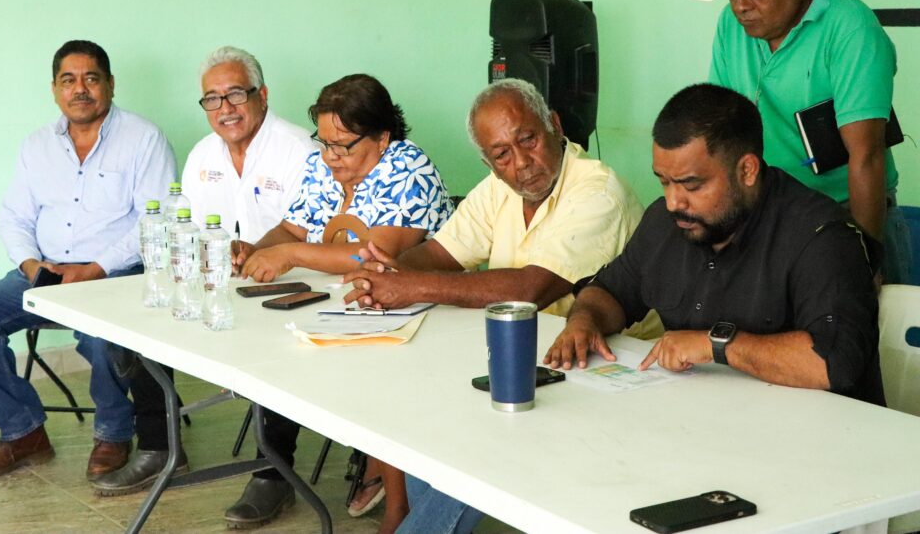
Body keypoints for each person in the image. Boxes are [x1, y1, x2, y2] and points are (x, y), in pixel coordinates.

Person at [342, 78, 643, 534]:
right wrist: (388, 271)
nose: (521, 163)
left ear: (555, 126)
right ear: (489, 162)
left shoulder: (596, 188)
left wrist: (410, 287)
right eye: (502, 154)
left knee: (469, 452)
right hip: (526, 366)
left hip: (604, 375)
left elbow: (530, 289)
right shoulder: (499, 189)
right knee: (427, 415)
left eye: (529, 139)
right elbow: (441, 254)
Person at [544, 83, 883, 403]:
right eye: (664, 182)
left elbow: (832, 362)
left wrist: (718, 345)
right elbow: (611, 291)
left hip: (820, 440)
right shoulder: (666, 221)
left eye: (691, 185)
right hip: (707, 426)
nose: (674, 201)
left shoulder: (821, 237)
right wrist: (584, 321)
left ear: (746, 171)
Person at [90, 47, 315, 524]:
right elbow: (182, 226)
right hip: (218, 283)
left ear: (262, 94)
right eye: (211, 99)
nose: (225, 108)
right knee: (140, 326)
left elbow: (312, 230)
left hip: (290, 286)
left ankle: (275, 476)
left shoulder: (300, 149)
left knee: (275, 344)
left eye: (235, 93)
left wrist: (255, 254)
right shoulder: (202, 155)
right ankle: (158, 448)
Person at [230, 73, 453, 532]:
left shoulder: (409, 166)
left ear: (382, 137)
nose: (330, 156)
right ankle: (274, 471)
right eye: (324, 142)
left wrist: (289, 256)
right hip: (334, 303)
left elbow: (376, 254)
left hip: (413, 311)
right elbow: (292, 229)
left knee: (375, 374)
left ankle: (398, 502)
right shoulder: (320, 167)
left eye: (343, 146)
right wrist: (255, 249)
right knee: (274, 347)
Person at [0, 40, 176, 482]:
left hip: (114, 272)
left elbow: (157, 220)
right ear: (55, 89)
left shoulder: (143, 138)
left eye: (91, 78)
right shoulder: (36, 145)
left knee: (103, 336)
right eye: (68, 80)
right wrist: (33, 267)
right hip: (44, 271)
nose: (80, 89)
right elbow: (13, 217)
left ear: (110, 84)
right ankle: (22, 432)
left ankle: (113, 431)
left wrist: (94, 269)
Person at [676, 0, 910, 283]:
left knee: (869, 336)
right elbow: (721, 134)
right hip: (773, 220)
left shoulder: (851, 29)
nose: (740, 6)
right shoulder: (731, 28)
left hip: (851, 217)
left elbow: (866, 157)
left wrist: (866, 262)